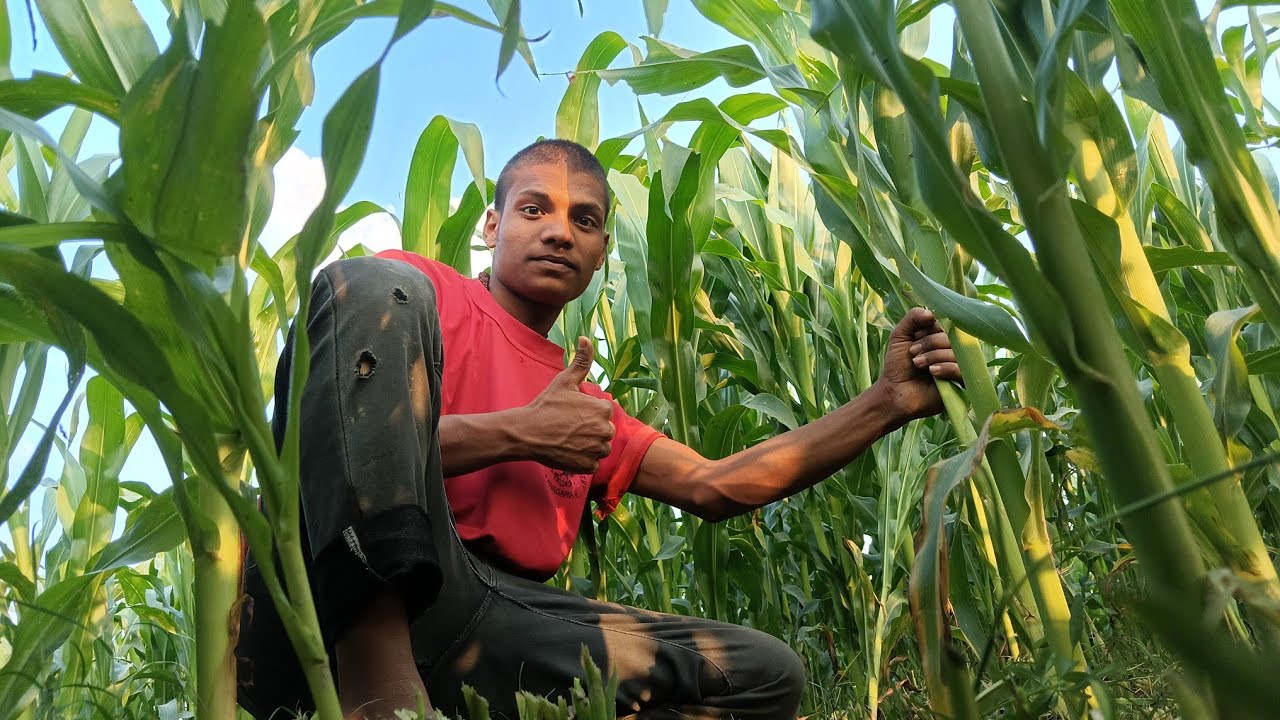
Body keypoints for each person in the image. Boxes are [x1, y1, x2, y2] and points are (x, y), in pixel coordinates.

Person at [235, 139, 961, 720]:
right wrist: (521, 432)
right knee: (362, 280)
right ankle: (376, 685)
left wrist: (887, 401)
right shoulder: (413, 296)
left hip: (484, 621)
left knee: (764, 676)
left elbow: (717, 485)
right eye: (533, 210)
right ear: (491, 226)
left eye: (584, 220)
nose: (559, 231)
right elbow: (324, 457)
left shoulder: (583, 410)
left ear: (604, 249)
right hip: (317, 591)